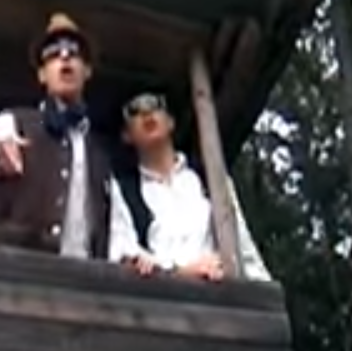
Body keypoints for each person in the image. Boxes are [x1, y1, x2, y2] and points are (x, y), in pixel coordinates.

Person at [0, 13, 113, 259]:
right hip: (19, 272)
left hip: (82, 276)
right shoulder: (13, 123)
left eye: (74, 52)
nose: (65, 56)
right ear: (42, 75)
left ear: (87, 71)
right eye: (53, 53)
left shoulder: (99, 152)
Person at [108, 91, 272, 282]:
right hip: (157, 296)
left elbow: (243, 246)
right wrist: (180, 272)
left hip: (217, 291)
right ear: (126, 135)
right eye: (134, 110)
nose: (146, 113)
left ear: (171, 122)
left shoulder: (209, 178)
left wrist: (265, 291)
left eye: (154, 104)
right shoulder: (123, 189)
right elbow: (125, 254)